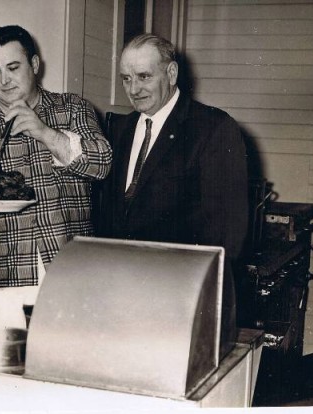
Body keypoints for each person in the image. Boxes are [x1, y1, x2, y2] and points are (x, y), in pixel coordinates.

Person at [92, 33, 248, 357]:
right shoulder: (119, 129)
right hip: (122, 300)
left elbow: (226, 235)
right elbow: (109, 217)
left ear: (172, 74)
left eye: (144, 77)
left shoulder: (214, 128)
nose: (134, 89)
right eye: (126, 79)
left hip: (182, 302)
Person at [0, 25, 111, 297]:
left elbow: (102, 162)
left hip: (71, 273)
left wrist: (46, 133)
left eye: (13, 67)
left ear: (34, 64)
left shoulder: (73, 109)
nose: (4, 80)